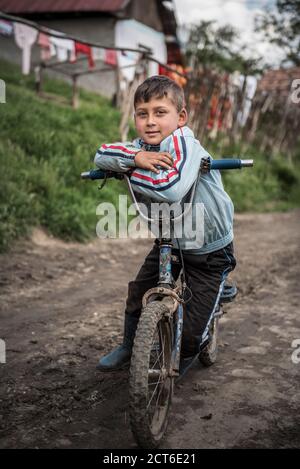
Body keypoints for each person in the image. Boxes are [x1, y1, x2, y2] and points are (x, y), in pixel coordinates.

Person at [94, 75, 236, 373]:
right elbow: (102, 154)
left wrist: (128, 170)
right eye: (142, 114)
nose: (150, 121)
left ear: (181, 117)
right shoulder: (141, 146)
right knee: (138, 292)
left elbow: (168, 188)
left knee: (189, 342)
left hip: (209, 249)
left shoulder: (186, 145)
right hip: (170, 240)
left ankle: (217, 294)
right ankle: (129, 345)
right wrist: (136, 156)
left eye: (160, 112)